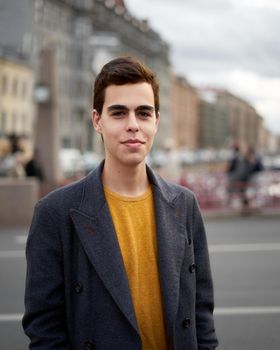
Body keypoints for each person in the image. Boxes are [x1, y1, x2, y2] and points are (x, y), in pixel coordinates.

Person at [23, 57, 218, 350]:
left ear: (156, 121)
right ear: (97, 121)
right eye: (118, 113)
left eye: (143, 113)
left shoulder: (185, 205)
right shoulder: (55, 212)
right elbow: (44, 329)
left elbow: (200, 313)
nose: (132, 125)